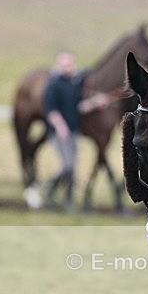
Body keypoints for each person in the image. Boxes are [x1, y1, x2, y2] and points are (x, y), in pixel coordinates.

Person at [43, 51, 114, 211]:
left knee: (72, 167)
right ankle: (52, 189)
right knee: (67, 166)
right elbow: (51, 109)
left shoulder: (75, 82)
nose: (66, 68)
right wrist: (61, 127)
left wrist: (96, 102)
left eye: (69, 64)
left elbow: (79, 107)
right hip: (58, 132)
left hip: (73, 131)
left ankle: (64, 198)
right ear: (58, 65)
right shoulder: (53, 84)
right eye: (63, 65)